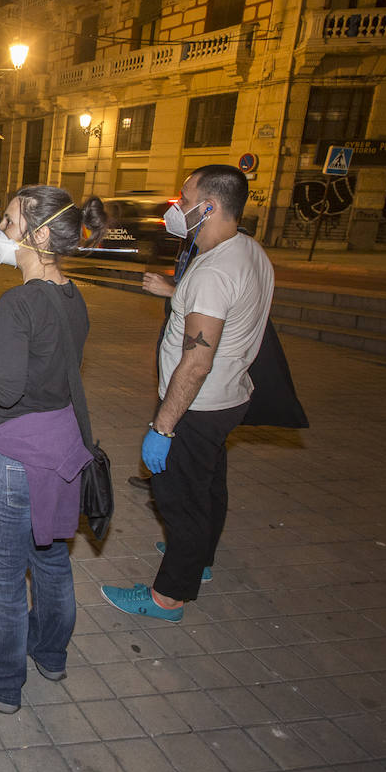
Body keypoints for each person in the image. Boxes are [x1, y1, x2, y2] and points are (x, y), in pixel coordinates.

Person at [0, 185, 107, 714]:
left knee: (5, 575)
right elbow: (49, 368)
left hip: (12, 457)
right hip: (59, 449)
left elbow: (4, 390)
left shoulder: (17, 301)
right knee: (52, 557)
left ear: (36, 235)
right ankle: (50, 652)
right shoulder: (71, 294)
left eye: (9, 223)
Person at [101, 165, 274, 622]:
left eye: (185, 198)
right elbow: (222, 313)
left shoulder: (214, 270)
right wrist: (176, 291)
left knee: (180, 499)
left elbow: (196, 362)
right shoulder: (250, 252)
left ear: (210, 207)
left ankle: (169, 597)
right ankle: (199, 558)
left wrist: (163, 425)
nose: (177, 208)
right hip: (231, 397)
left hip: (196, 406)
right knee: (209, 486)